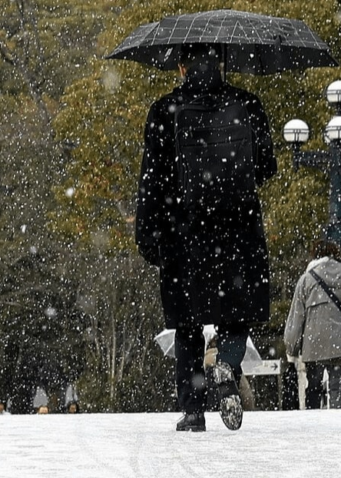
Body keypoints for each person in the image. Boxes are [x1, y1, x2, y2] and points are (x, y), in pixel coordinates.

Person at [134, 43, 277, 433]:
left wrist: (147, 232)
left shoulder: (165, 110)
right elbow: (266, 166)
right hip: (238, 229)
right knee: (237, 311)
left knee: (188, 322)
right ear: (223, 63)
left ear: (181, 66)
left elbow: (153, 178)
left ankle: (193, 410)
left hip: (184, 232)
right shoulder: (247, 105)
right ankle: (227, 366)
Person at [284, 235, 341, 409]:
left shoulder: (306, 280)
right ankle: (339, 424)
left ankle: (314, 424)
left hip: (313, 343)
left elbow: (296, 319)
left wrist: (291, 349)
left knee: (313, 387)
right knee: (339, 387)